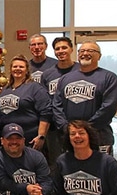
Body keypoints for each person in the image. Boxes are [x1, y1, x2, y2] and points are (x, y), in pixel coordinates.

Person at [52, 40, 117, 155]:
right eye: (82, 51)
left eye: (90, 50)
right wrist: (67, 128)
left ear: (99, 56)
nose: (85, 53)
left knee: (101, 170)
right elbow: (56, 105)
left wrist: (86, 129)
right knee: (73, 170)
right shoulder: (65, 79)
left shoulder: (109, 78)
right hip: (71, 136)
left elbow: (109, 107)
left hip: (99, 135)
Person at [40, 36, 80, 168]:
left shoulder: (80, 70)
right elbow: (44, 101)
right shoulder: (47, 74)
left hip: (78, 125)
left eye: (64, 47)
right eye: (57, 49)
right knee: (57, 162)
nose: (61, 51)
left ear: (71, 49)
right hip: (54, 127)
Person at [0, 54, 51, 151]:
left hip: (30, 140)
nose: (18, 69)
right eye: (15, 66)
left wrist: (41, 136)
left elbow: (46, 113)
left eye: (21, 67)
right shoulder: (5, 89)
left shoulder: (35, 88)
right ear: (10, 69)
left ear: (27, 70)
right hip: (8, 140)